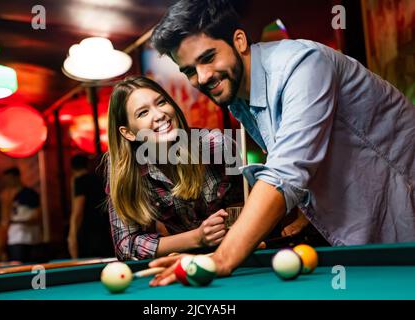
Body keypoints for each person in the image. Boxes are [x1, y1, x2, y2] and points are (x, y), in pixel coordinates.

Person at [147, 0, 415, 285]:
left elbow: (286, 172)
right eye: (189, 70)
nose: (201, 77)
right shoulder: (240, 98)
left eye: (208, 57)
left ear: (238, 41)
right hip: (370, 233)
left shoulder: (303, 64)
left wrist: (221, 258)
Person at [106, 76, 243, 260]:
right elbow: (126, 246)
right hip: (180, 266)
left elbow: (244, 204)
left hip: (234, 256)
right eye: (143, 113)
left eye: (161, 102)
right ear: (128, 133)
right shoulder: (127, 172)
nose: (159, 115)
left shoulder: (216, 146)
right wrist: (196, 238)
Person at [67, 154, 113, 259]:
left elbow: (78, 211)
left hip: (88, 235)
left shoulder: (79, 181)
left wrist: (72, 236)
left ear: (72, 168)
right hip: (104, 231)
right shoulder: (100, 180)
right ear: (87, 165)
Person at [0, 167, 42, 263]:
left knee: (31, 267)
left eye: (9, 179)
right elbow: (5, 220)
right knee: (15, 265)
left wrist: (17, 221)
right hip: (13, 238)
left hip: (29, 238)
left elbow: (37, 216)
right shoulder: (6, 196)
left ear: (16, 177)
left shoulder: (29, 194)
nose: (8, 182)